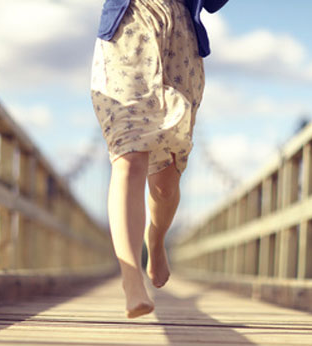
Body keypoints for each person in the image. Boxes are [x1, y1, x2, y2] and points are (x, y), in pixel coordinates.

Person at [90, 0, 229, 318]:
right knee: (128, 156)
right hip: (128, 28)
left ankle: (156, 236)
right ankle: (131, 277)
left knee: (166, 181)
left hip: (179, 39)